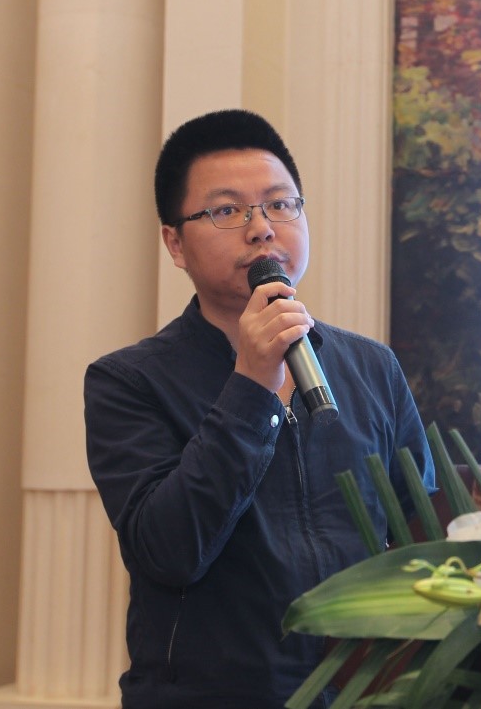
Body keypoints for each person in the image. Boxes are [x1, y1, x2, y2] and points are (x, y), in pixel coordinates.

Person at [85, 109, 436, 708]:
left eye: (281, 204)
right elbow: (168, 553)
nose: (262, 229)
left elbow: (419, 535)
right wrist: (250, 383)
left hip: (360, 693)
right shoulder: (129, 381)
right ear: (175, 242)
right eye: (226, 211)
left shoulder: (372, 367)